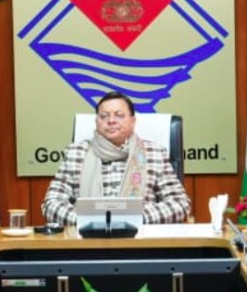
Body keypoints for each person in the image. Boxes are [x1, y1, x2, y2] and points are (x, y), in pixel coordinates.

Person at [41, 91, 191, 226]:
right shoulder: (76, 153)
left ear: (133, 121)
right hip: (87, 239)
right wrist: (86, 220)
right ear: (96, 121)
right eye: (104, 116)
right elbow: (51, 203)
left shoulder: (153, 153)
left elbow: (180, 203)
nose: (111, 120)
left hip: (142, 239)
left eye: (119, 115)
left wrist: (137, 218)